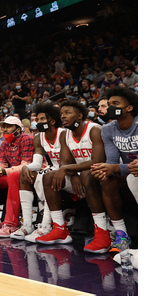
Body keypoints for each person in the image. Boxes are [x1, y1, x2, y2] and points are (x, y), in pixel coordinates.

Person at [36, 100, 108, 254]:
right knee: (48, 177)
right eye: (62, 114)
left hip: (101, 175)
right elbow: (65, 162)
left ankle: (102, 233)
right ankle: (60, 229)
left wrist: (69, 169)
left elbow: (97, 161)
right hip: (80, 176)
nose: (63, 117)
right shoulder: (65, 134)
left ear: (80, 116)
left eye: (67, 113)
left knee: (87, 174)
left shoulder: (94, 130)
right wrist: (73, 174)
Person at [89, 87, 138, 256]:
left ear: (129, 107)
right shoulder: (108, 129)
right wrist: (105, 169)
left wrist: (116, 167)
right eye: (109, 104)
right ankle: (121, 235)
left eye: (115, 104)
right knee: (106, 179)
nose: (110, 107)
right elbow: (111, 161)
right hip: (130, 174)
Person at [12, 102, 65, 242]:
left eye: (42, 119)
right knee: (24, 174)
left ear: (52, 121)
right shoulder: (38, 138)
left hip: (65, 171)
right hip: (53, 170)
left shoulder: (63, 134)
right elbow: (36, 163)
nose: (37, 122)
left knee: (47, 177)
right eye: (36, 119)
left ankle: (45, 226)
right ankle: (28, 224)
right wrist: (26, 168)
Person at [0, 116, 34, 237]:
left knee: (14, 175)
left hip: (31, 175)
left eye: (8, 127)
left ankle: (12, 223)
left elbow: (26, 165)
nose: (5, 129)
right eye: (4, 127)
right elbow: (2, 163)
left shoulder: (27, 139)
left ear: (18, 129)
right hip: (14, 175)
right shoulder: (4, 143)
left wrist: (2, 172)